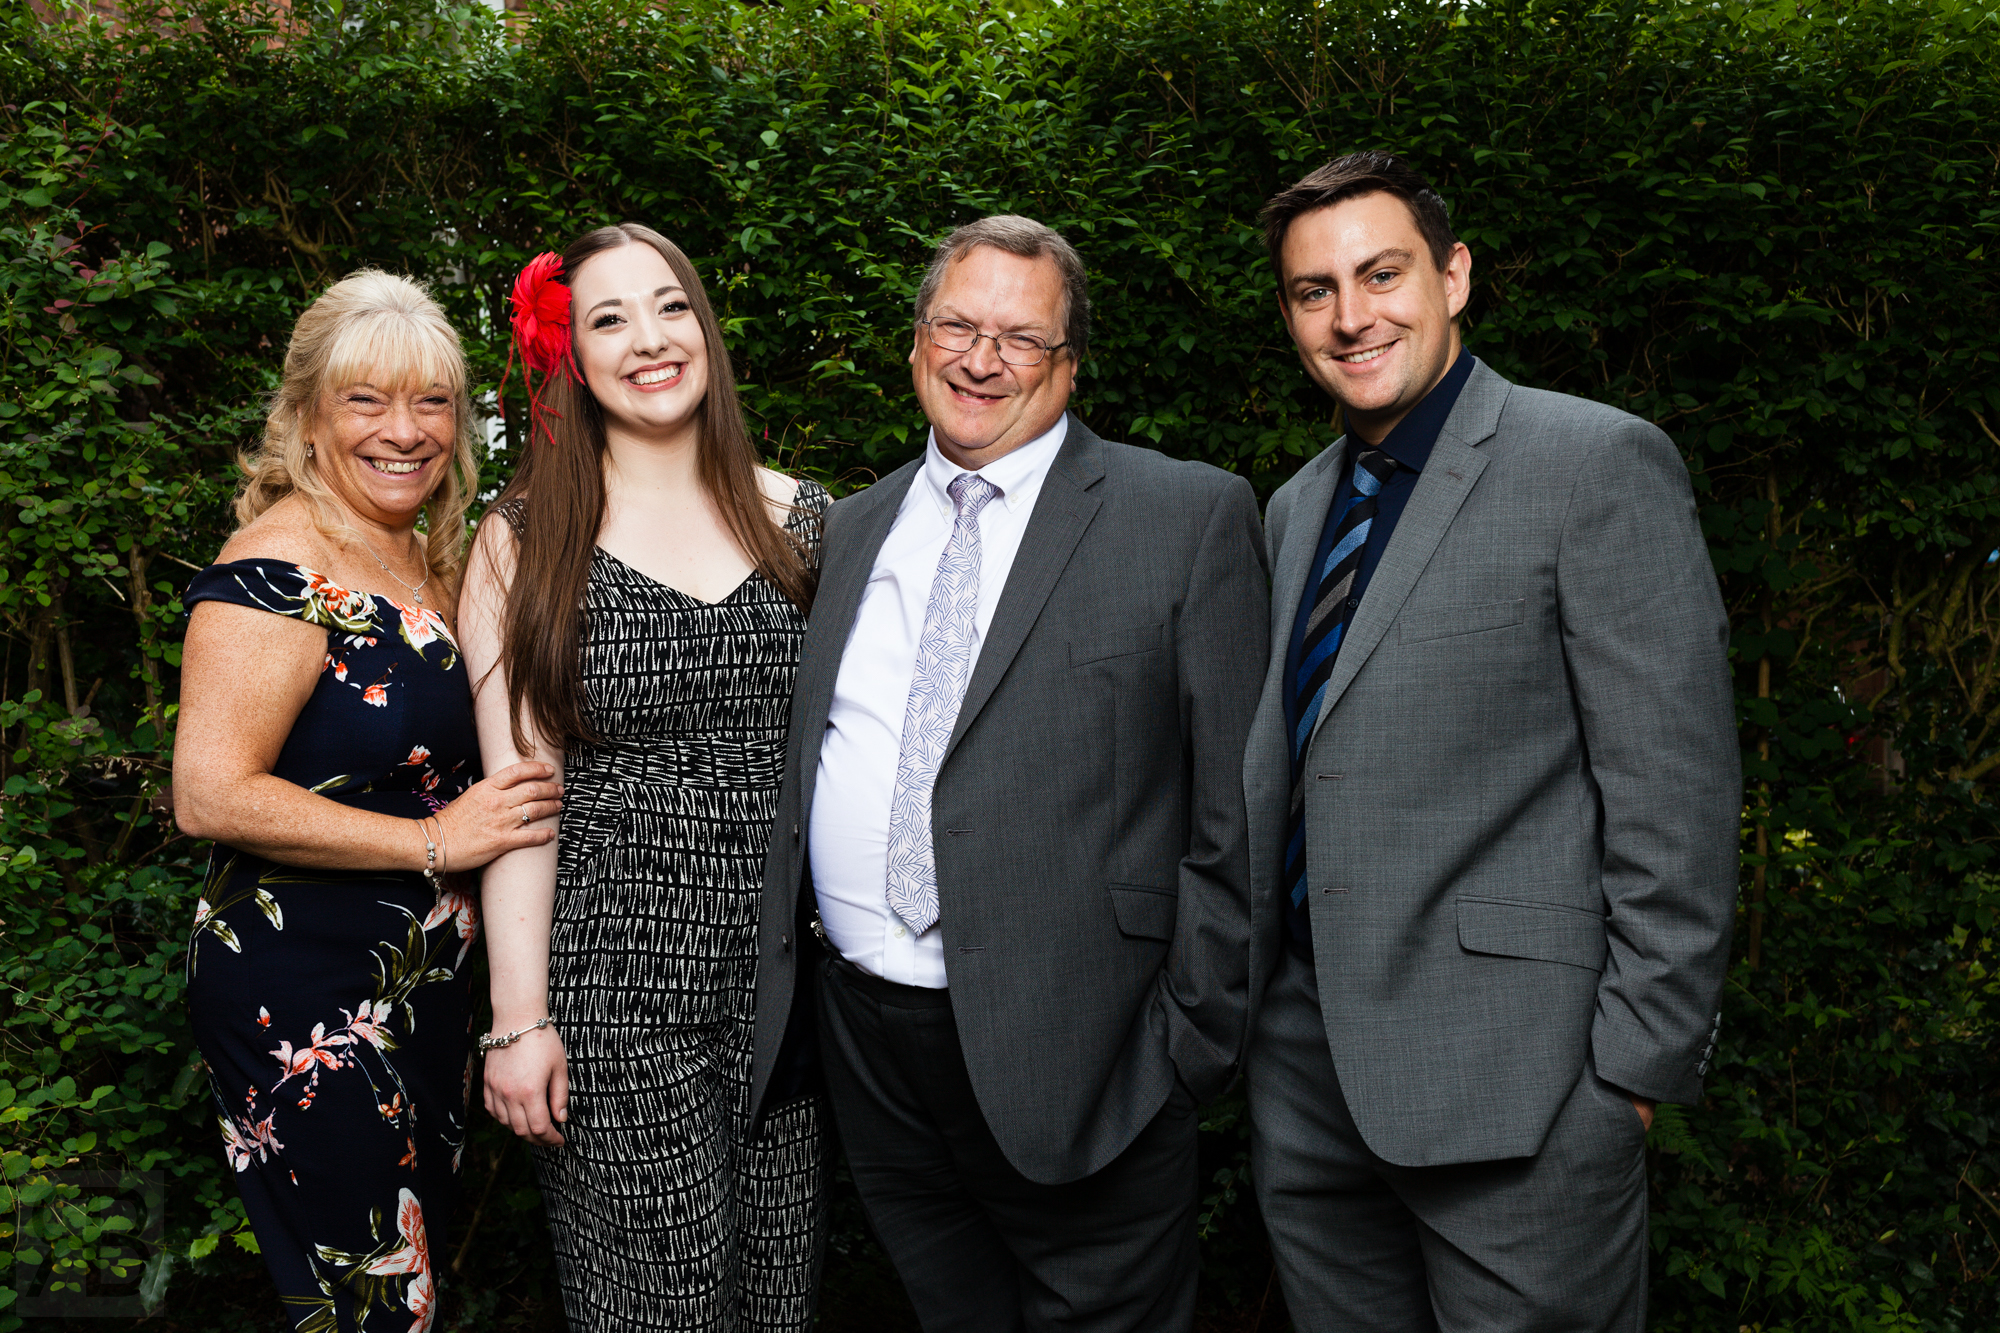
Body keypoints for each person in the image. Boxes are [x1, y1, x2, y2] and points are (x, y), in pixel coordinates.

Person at [1242, 150, 1741, 1331]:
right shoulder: (1295, 507)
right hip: (1306, 1084)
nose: (1350, 315)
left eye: (1381, 274)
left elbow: (1671, 792)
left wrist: (1628, 1076)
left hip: (1524, 1092)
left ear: (1453, 276)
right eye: (1314, 290)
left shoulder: (1592, 463)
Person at [747, 214, 1269, 1331]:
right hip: (868, 1043)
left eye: (1021, 338)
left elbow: (1239, 814)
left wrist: (1187, 1049)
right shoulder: (852, 528)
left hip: (1088, 1054)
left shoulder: (1185, 516)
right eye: (957, 326)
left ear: (1068, 366)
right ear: (916, 343)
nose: (981, 359)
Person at [174, 270, 563, 1332]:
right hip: (307, 992)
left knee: (402, 1290)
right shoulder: (278, 568)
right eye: (366, 400)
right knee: (376, 1305)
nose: (405, 430)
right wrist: (437, 839)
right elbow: (208, 792)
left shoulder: (423, 557)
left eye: (432, 402)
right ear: (306, 416)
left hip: (418, 989)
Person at [461, 224, 828, 1331]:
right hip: (613, 985)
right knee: (658, 1306)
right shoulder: (524, 540)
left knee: (778, 1298)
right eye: (608, 319)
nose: (650, 339)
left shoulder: (807, 521)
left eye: (670, 307)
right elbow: (520, 799)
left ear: (704, 327)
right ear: (570, 355)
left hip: (783, 984)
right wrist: (517, 1020)